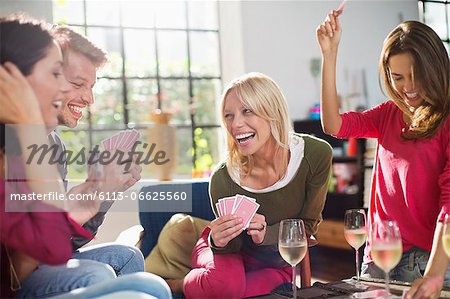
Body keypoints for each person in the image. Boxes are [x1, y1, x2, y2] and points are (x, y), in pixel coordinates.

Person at [317, 10, 450, 299]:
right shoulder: (389, 114)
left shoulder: (447, 121)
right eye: (398, 77)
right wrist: (330, 54)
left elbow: (449, 205)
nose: (408, 88)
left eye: (416, 76)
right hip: (380, 253)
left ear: (435, 68)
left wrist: (435, 275)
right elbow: (334, 125)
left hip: (427, 260)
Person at [15, 25, 145, 298]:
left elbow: (66, 243)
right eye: (78, 84)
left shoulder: (54, 145)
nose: (89, 98)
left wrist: (104, 191)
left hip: (44, 262)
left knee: (128, 256)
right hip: (18, 272)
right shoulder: (13, 142)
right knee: (98, 274)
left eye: (91, 86)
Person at [179, 72, 332, 298]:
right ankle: (178, 283)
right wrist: (217, 241)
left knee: (243, 294)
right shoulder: (223, 178)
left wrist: (266, 234)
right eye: (228, 115)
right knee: (228, 286)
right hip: (226, 249)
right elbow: (228, 247)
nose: (236, 124)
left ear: (272, 112)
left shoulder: (315, 155)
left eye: (247, 111)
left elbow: (307, 227)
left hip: (275, 263)